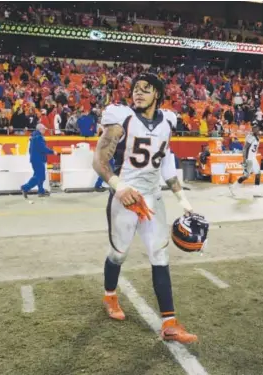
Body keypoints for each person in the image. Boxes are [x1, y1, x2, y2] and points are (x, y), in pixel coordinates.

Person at [92, 73, 198, 344]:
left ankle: (170, 323)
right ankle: (110, 295)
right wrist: (119, 186)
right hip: (125, 197)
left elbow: (165, 162)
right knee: (118, 253)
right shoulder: (121, 118)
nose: (138, 93)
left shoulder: (168, 122)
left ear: (158, 94)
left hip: (152, 197)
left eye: (145, 89)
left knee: (160, 255)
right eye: (135, 89)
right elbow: (99, 161)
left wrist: (181, 198)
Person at [21, 124, 57, 198]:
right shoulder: (39, 137)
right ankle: (25, 187)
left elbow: (31, 150)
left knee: (39, 176)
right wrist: (52, 152)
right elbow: (43, 148)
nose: (45, 130)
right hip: (38, 159)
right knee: (39, 176)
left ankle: (41, 191)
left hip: (35, 159)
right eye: (44, 129)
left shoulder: (34, 137)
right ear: (40, 129)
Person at [229, 123, 262, 197]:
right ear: (252, 129)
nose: (256, 129)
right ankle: (233, 187)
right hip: (249, 158)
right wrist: (244, 159)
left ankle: (256, 191)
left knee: (258, 173)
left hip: (253, 158)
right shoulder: (250, 137)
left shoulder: (257, 137)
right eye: (254, 128)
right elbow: (245, 148)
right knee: (246, 176)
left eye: (257, 128)